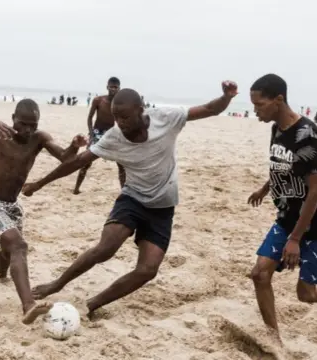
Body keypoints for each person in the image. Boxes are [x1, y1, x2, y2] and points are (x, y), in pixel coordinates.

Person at [21, 81, 238, 317]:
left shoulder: (166, 117)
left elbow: (209, 109)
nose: (120, 123)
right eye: (116, 117)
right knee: (106, 249)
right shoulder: (113, 138)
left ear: (140, 109)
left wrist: (226, 97)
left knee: (147, 270)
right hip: (132, 200)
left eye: (124, 117)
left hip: (162, 208)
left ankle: (92, 304)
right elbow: (78, 162)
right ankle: (58, 283)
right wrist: (39, 184)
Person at [0, 98, 88, 324]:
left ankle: (0, 274)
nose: (27, 130)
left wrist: (74, 145)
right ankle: (28, 306)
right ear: (13, 119)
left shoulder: (39, 138)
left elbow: (65, 158)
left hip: (13, 207)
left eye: (33, 125)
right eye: (23, 124)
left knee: (9, 250)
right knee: (18, 246)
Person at [247, 74, 317, 342]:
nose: (255, 111)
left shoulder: (306, 136)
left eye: (259, 105)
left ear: (278, 100)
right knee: (260, 274)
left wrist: (295, 239)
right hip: (288, 216)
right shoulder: (277, 128)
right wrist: (265, 188)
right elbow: (284, 165)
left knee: (305, 294)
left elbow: (315, 191)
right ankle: (273, 339)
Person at [72, 77, 126, 195]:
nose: (113, 89)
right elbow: (90, 117)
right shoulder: (98, 100)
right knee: (86, 162)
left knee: (121, 164)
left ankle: (124, 192)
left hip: (111, 134)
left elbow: (121, 120)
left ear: (119, 89)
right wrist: (91, 133)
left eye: (115, 87)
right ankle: (76, 189)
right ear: (107, 87)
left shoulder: (119, 103)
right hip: (97, 132)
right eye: (111, 87)